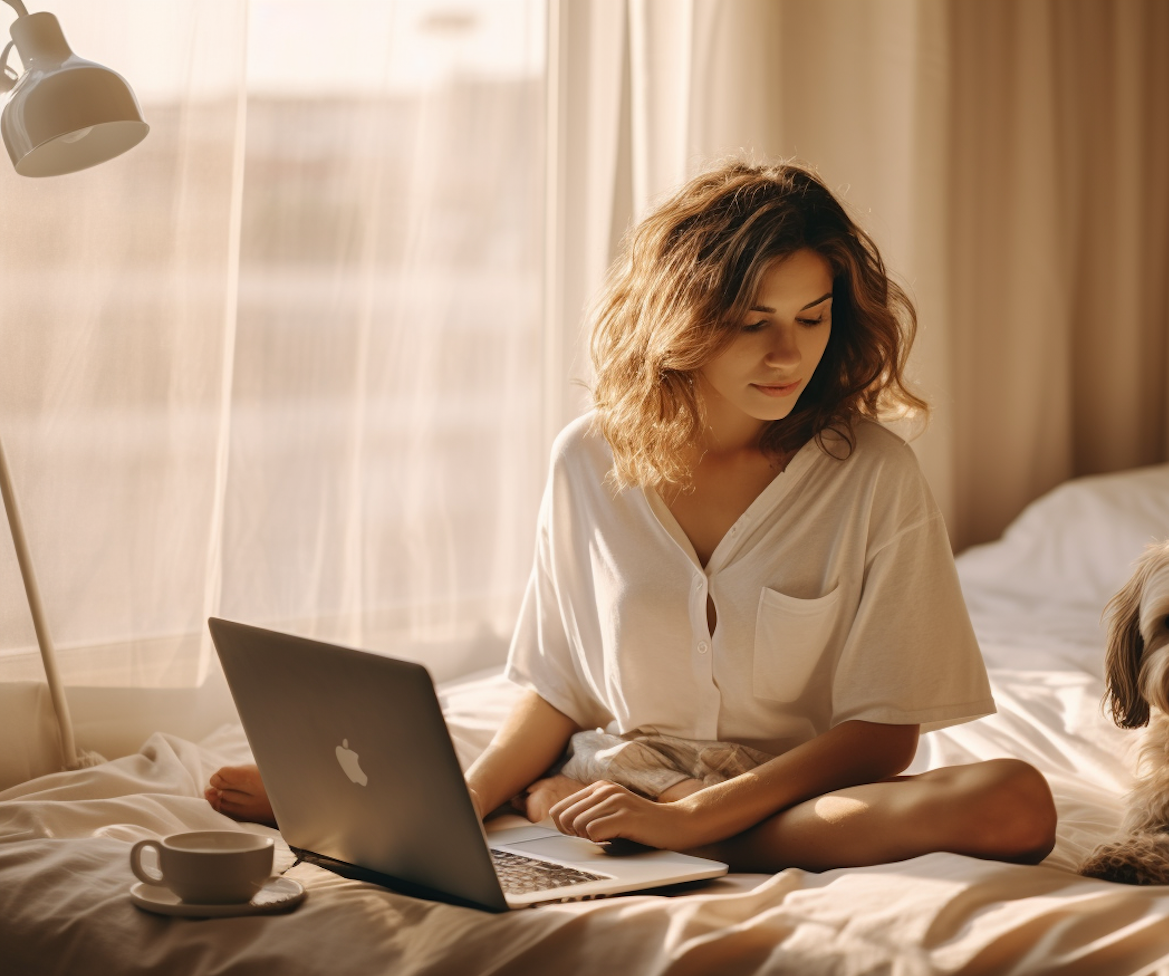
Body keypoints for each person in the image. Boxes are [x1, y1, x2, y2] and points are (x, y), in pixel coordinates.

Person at [206, 159, 1056, 873]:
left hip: (802, 794)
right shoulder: (588, 460)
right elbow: (558, 691)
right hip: (625, 770)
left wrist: (695, 817)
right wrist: (458, 806)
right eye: (753, 322)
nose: (788, 354)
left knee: (1015, 803)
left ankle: (575, 811)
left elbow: (883, 737)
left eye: (812, 317)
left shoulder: (872, 473)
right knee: (508, 775)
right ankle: (515, 802)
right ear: (681, 322)